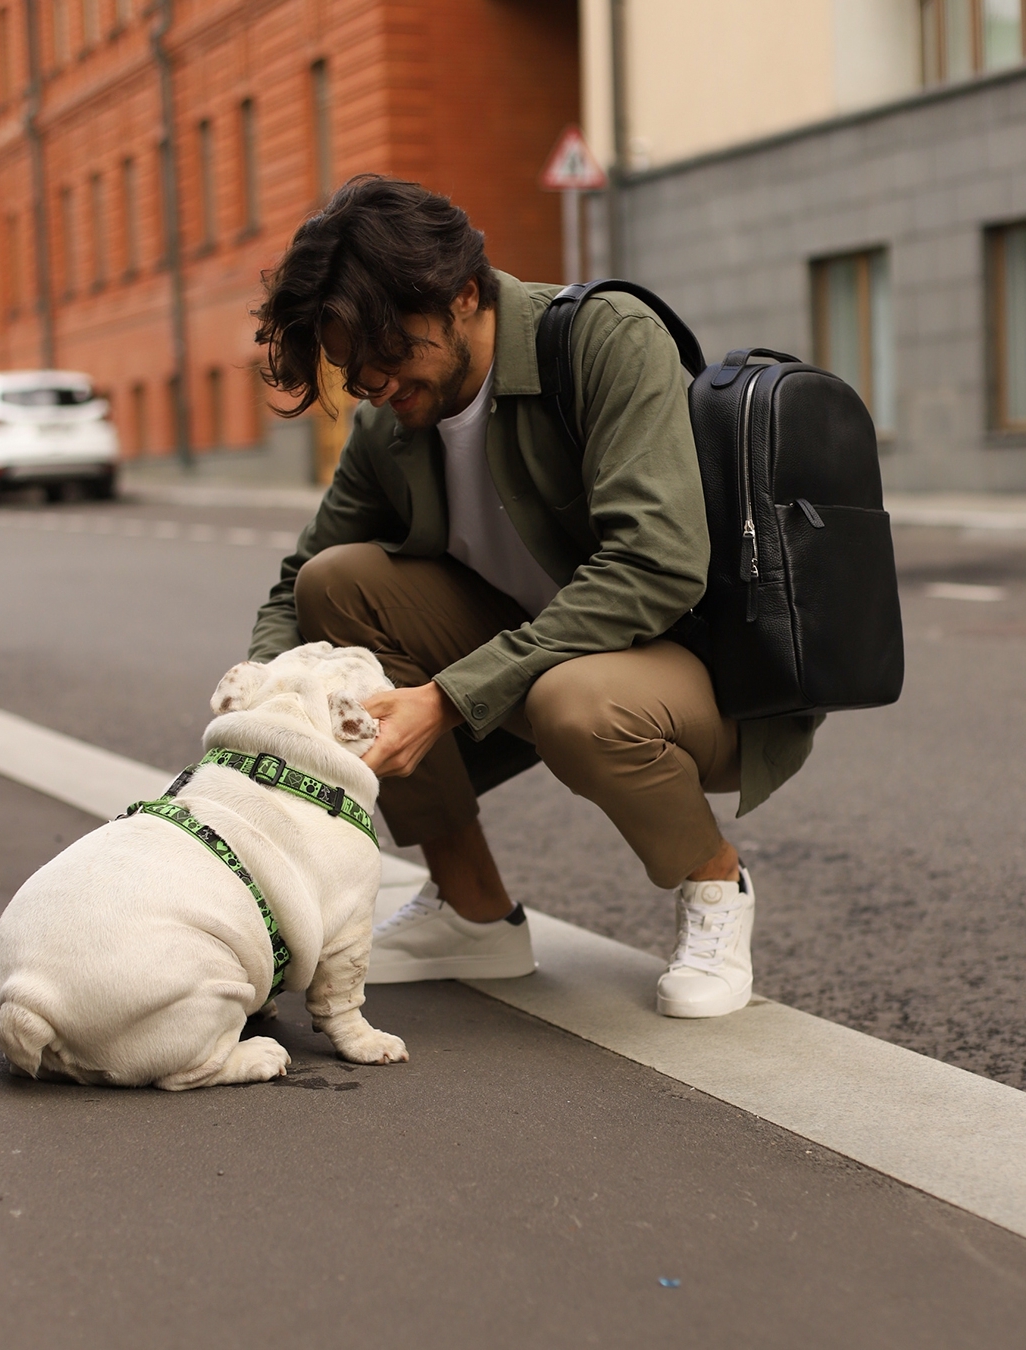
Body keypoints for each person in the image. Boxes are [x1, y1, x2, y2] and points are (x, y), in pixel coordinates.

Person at [249, 175, 819, 1018]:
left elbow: (656, 565)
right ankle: (473, 912)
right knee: (343, 587)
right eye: (352, 366)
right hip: (535, 664)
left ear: (464, 295)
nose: (373, 384)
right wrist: (252, 707)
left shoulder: (602, 341)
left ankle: (714, 884)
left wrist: (448, 698)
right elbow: (304, 582)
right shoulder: (389, 421)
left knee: (574, 701)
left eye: (390, 353)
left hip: (694, 677)